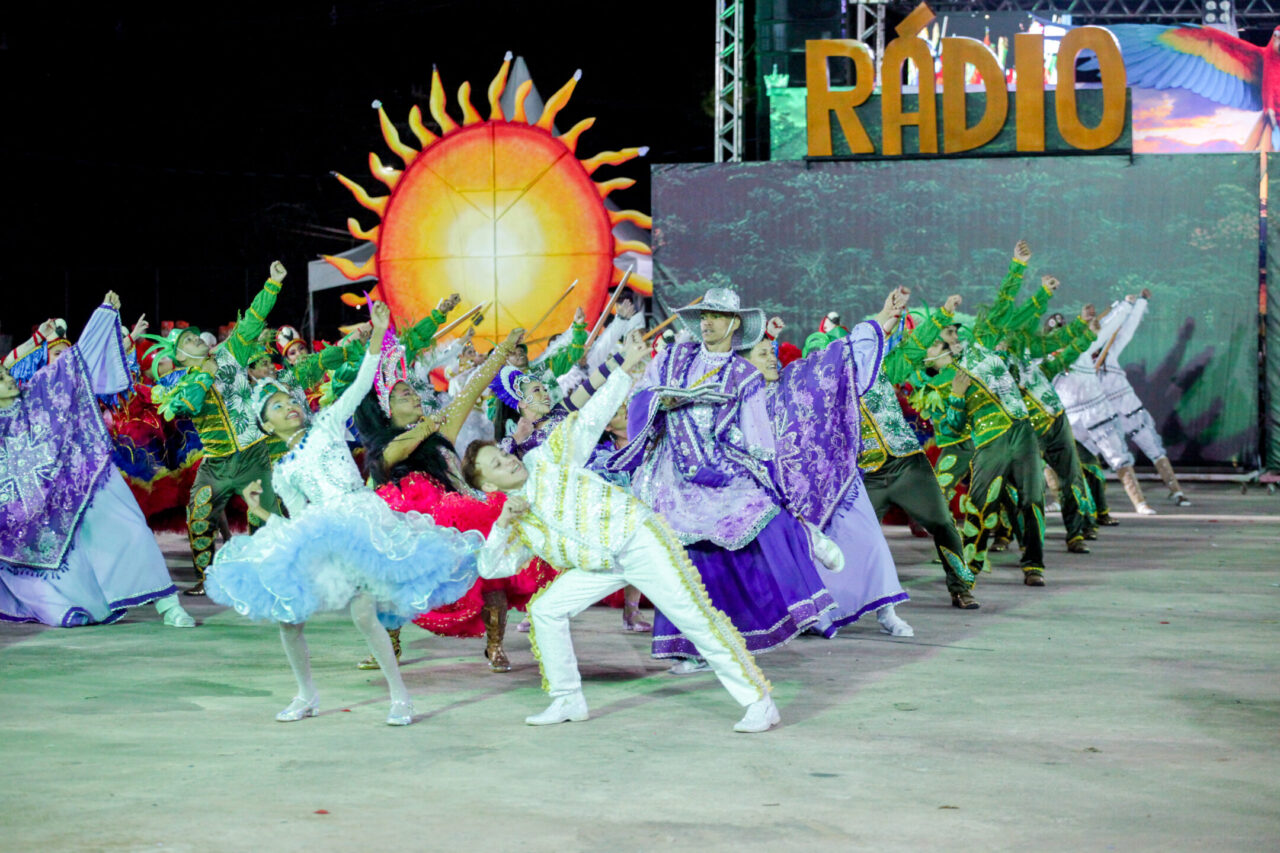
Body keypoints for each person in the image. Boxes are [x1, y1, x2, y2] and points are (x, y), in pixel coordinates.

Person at [462, 353, 781, 733]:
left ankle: (758, 701)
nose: (508, 461)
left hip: (637, 539)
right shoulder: (513, 521)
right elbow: (490, 567)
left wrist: (624, 371)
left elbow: (590, 420)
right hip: (599, 565)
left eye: (502, 455)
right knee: (546, 610)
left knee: (694, 618)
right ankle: (567, 699)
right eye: (498, 465)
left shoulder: (545, 459)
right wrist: (502, 524)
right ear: (489, 485)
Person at [204, 301, 483, 726]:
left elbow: (362, 382)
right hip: (320, 538)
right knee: (288, 618)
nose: (289, 407)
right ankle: (305, 695)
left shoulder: (327, 424)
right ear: (266, 425)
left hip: (360, 523)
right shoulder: (284, 470)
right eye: (277, 407)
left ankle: (400, 697)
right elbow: (298, 520)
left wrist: (378, 334)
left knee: (364, 613)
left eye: (289, 400)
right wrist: (260, 510)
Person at [608, 289, 843, 668]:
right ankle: (690, 649)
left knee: (758, 534)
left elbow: (758, 438)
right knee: (684, 566)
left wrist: (764, 479)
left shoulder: (744, 375)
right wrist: (661, 402)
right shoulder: (672, 358)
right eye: (703, 315)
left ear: (734, 323)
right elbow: (640, 397)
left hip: (723, 476)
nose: (707, 322)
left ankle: (804, 544)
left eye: (716, 316)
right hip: (674, 481)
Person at [355, 324, 552, 673]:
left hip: (461, 517)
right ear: (387, 410)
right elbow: (393, 454)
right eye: (404, 396)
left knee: (490, 574)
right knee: (387, 580)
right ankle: (390, 645)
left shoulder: (440, 429)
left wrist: (504, 348)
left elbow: (474, 385)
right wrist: (427, 426)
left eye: (413, 392)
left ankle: (495, 646)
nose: (416, 397)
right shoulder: (389, 449)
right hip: (417, 529)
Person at [1, 293, 194, 628]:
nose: (10, 380)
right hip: (45, 505)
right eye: (3, 379)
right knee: (73, 557)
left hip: (86, 474)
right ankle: (74, 605)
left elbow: (79, 360)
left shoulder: (40, 390)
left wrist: (103, 316)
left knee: (134, 530)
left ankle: (169, 604)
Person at [742, 287, 919, 636]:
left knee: (871, 542)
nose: (773, 358)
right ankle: (815, 614)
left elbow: (841, 359)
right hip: (787, 498)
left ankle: (887, 610)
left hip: (834, 479)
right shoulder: (741, 401)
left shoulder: (795, 380)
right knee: (808, 557)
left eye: (772, 352)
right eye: (763, 354)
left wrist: (884, 317)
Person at [1096, 290, 1190, 507]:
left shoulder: (1109, 354)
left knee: (1155, 450)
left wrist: (1138, 304)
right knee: (1102, 456)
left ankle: (1176, 491)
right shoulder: (1077, 362)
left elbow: (1126, 330)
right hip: (1105, 420)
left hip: (1131, 412)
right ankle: (1127, 502)